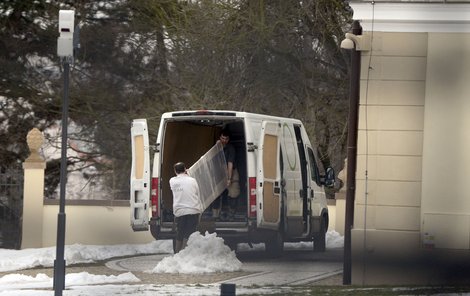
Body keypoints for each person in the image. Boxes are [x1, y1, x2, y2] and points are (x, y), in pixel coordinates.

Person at [169, 162, 202, 253]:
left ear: (175, 171)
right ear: (185, 169)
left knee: (180, 233)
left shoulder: (172, 181)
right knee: (189, 233)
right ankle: (184, 253)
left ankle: (177, 253)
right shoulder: (193, 180)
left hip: (180, 211)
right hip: (193, 209)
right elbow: (197, 193)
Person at [212, 129, 240, 221]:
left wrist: (229, 178)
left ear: (229, 139)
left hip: (231, 170)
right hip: (219, 171)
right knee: (216, 194)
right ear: (219, 138)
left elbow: (230, 164)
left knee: (233, 192)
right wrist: (217, 146)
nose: (224, 140)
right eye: (222, 138)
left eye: (226, 139)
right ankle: (215, 216)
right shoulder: (216, 147)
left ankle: (231, 214)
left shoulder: (231, 148)